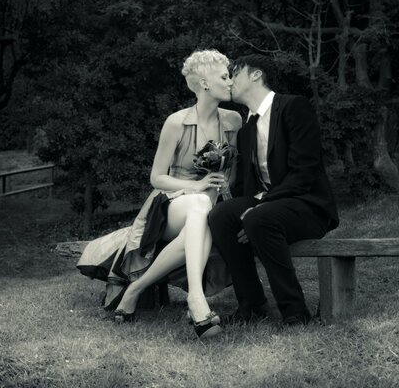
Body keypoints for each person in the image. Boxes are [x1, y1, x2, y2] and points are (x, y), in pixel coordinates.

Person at [76, 49, 241, 338]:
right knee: (200, 204)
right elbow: (157, 178)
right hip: (170, 204)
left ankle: (135, 289)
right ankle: (197, 297)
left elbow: (233, 172)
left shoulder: (233, 121)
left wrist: (225, 182)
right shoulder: (176, 122)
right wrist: (196, 186)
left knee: (201, 216)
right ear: (204, 83)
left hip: (209, 207)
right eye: (225, 77)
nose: (231, 82)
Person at [208, 54, 339, 326]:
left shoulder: (294, 107)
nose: (229, 80)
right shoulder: (247, 129)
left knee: (257, 217)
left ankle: (294, 312)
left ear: (256, 75)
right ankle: (252, 305)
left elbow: (304, 172)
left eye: (235, 73)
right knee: (221, 215)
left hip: (308, 206)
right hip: (270, 208)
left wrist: (261, 204)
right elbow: (248, 187)